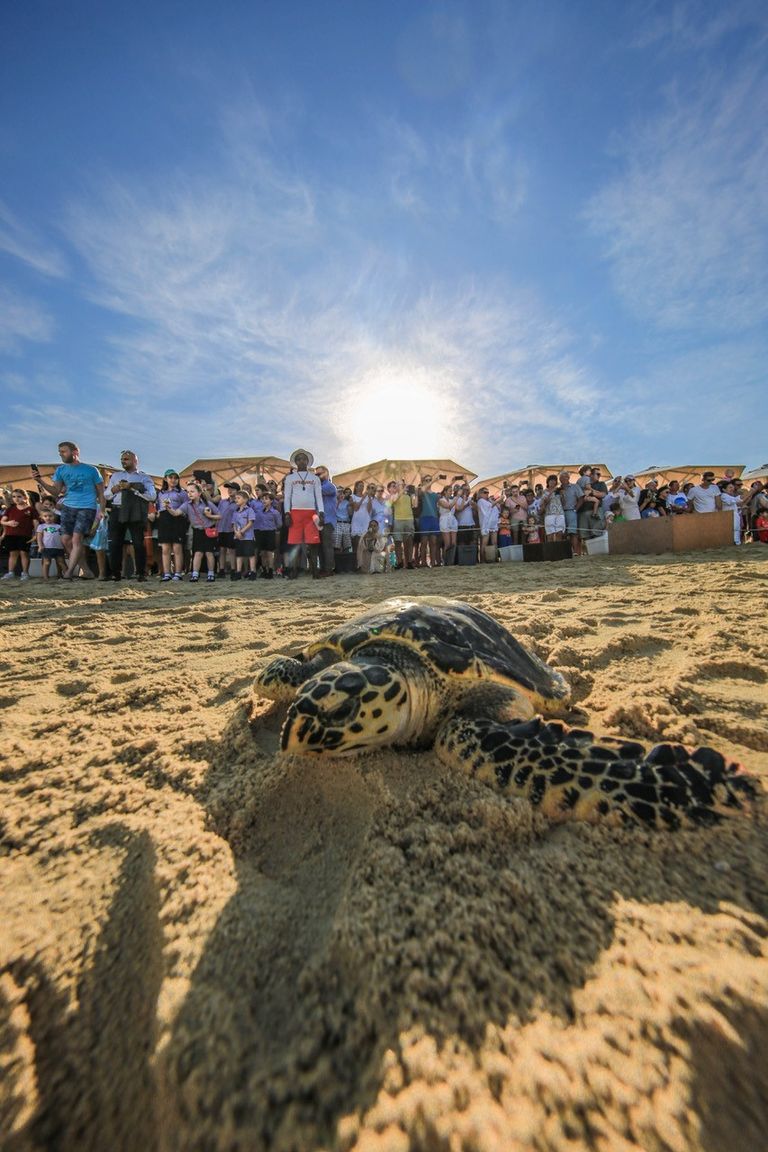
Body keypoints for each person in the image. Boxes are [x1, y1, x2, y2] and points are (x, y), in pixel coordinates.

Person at [34, 442, 106, 579]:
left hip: (87, 506)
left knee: (77, 538)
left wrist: (102, 510)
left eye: (64, 451)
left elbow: (101, 493)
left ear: (75, 452)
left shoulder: (91, 470)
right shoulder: (61, 470)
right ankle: (87, 571)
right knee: (65, 539)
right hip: (68, 507)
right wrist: (40, 481)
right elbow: (55, 492)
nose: (61, 454)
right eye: (59, 451)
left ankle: (68, 573)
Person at [104, 450, 157, 582]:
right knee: (115, 543)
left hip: (135, 511)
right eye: (122, 459)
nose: (123, 461)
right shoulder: (115, 476)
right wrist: (113, 490)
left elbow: (152, 496)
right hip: (117, 509)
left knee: (138, 543)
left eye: (126, 459)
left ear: (135, 461)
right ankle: (115, 573)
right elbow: (106, 495)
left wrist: (132, 488)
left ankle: (141, 573)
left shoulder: (144, 478)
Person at [282, 449, 324, 579]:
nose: (301, 461)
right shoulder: (289, 478)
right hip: (295, 513)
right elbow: (287, 496)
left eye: (304, 459)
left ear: (307, 461)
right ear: (295, 462)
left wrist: (321, 512)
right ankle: (294, 571)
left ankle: (314, 571)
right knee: (295, 543)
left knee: (313, 544)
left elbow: (318, 496)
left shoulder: (315, 478)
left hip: (311, 513)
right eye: (299, 459)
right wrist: (287, 513)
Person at [170, 481, 220, 582]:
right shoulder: (186, 505)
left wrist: (209, 516)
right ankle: (195, 573)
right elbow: (175, 513)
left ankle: (211, 573)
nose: (190, 494)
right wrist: (167, 507)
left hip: (208, 530)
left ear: (199, 493)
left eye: (192, 491)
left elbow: (219, 515)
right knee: (197, 553)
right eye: (188, 492)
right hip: (197, 531)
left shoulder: (208, 503)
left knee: (209, 553)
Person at [154, 470, 188, 581]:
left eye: (175, 478)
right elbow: (158, 507)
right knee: (165, 548)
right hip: (164, 519)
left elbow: (185, 507)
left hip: (177, 519)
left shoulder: (182, 492)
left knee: (177, 547)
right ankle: (167, 573)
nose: (173, 480)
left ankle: (178, 573)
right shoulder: (161, 493)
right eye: (170, 477)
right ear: (165, 479)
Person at [1, 489, 39, 580]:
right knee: (13, 554)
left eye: (19, 496)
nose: (16, 499)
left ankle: (25, 573)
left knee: (24, 553)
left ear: (25, 497)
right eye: (14, 497)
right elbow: (2, 521)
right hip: (11, 534)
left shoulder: (31, 509)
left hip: (25, 535)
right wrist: (9, 523)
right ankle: (10, 572)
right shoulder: (10, 509)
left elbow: (36, 522)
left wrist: (36, 534)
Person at [314, 464, 337, 576]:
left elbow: (316, 491)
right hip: (318, 521)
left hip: (328, 521)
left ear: (326, 473)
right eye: (316, 474)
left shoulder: (330, 486)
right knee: (320, 546)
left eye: (319, 474)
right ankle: (323, 568)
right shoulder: (319, 485)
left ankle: (328, 569)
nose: (317, 476)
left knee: (327, 546)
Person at [253, 490, 282, 578]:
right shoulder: (258, 512)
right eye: (263, 499)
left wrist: (274, 528)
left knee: (269, 552)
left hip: (270, 532)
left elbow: (279, 524)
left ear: (271, 501)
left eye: (266, 499)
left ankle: (270, 569)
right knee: (262, 552)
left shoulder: (275, 512)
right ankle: (264, 569)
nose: (264, 501)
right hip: (260, 532)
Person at [389, 480, 417, 569]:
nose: (403, 485)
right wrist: (402, 490)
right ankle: (399, 562)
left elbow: (415, 505)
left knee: (409, 541)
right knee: (398, 542)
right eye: (400, 484)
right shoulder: (393, 495)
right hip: (398, 520)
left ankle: (409, 562)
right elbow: (394, 500)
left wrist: (414, 494)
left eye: (403, 484)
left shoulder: (408, 495)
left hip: (409, 519)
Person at [415, 474, 441, 569]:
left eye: (430, 479)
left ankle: (433, 563)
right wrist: (434, 480)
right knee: (424, 542)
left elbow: (444, 503)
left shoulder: (435, 495)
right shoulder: (421, 492)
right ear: (423, 482)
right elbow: (421, 492)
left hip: (434, 519)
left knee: (433, 542)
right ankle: (423, 563)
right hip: (424, 518)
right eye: (427, 480)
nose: (429, 481)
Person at [232, 489, 258, 579]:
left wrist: (242, 531)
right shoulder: (235, 512)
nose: (236, 500)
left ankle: (253, 571)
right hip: (238, 537)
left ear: (246, 499)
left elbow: (250, 523)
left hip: (248, 537)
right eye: (236, 498)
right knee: (239, 554)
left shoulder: (249, 510)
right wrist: (236, 532)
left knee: (250, 554)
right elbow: (234, 523)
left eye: (238, 498)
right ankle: (238, 572)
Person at [35, 509, 67, 579]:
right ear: (42, 517)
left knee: (61, 562)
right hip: (47, 548)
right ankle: (45, 577)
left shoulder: (59, 526)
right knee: (46, 562)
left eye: (50, 516)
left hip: (59, 547)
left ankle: (67, 575)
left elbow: (62, 537)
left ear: (54, 516)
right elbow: (39, 537)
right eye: (45, 516)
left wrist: (65, 547)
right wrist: (40, 546)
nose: (48, 518)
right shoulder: (41, 526)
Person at [540, 474, 566, 541]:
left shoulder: (558, 491)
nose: (553, 482)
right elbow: (545, 501)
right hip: (549, 514)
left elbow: (564, 503)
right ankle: (551, 550)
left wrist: (562, 494)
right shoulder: (544, 491)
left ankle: (558, 550)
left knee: (559, 533)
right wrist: (552, 491)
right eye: (551, 480)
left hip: (560, 513)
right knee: (550, 534)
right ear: (548, 482)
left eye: (554, 480)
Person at [437, 484, 458, 566]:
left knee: (453, 543)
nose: (451, 493)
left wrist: (462, 499)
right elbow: (449, 507)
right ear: (445, 492)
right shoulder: (440, 500)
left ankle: (451, 561)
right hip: (444, 520)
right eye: (449, 491)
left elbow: (459, 508)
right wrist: (457, 496)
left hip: (452, 520)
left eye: (451, 491)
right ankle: (445, 561)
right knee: (447, 543)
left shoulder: (452, 500)